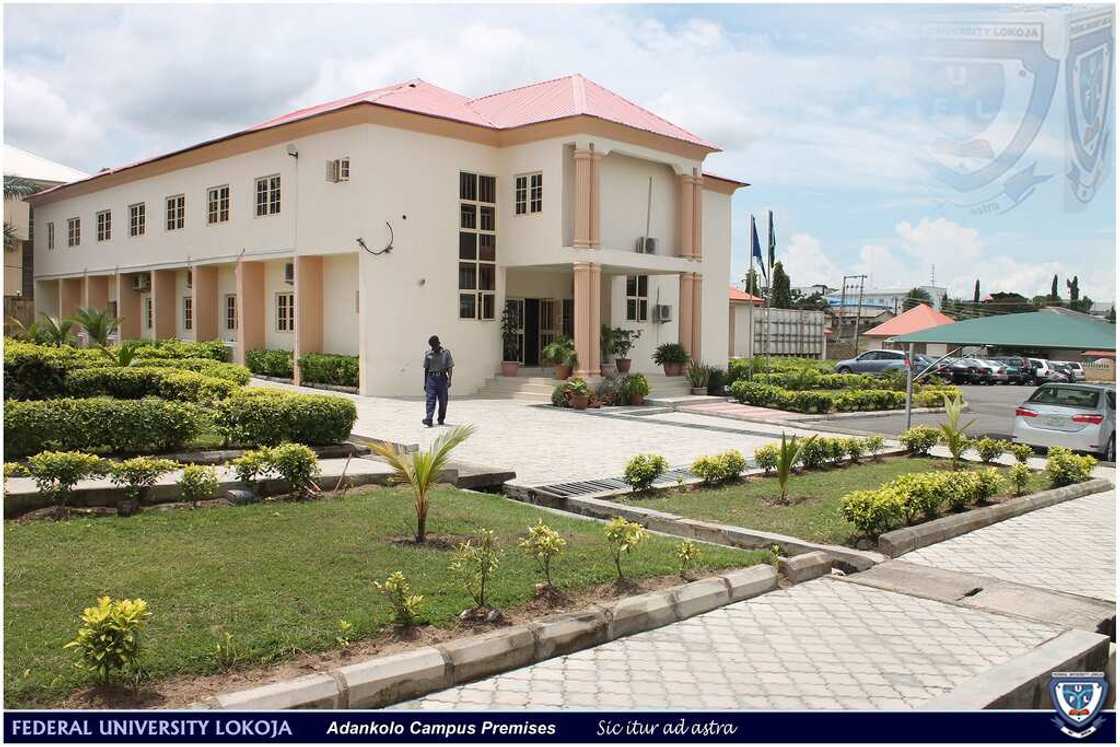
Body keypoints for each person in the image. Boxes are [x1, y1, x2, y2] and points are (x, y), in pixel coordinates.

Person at [422, 335, 454, 427]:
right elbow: (426, 369)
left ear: (438, 344)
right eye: (432, 346)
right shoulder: (428, 354)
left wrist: (450, 379)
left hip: (442, 378)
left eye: (434, 345)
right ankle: (429, 418)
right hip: (431, 379)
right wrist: (425, 383)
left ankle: (441, 418)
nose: (433, 348)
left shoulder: (446, 353)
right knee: (430, 399)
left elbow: (450, 367)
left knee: (443, 401)